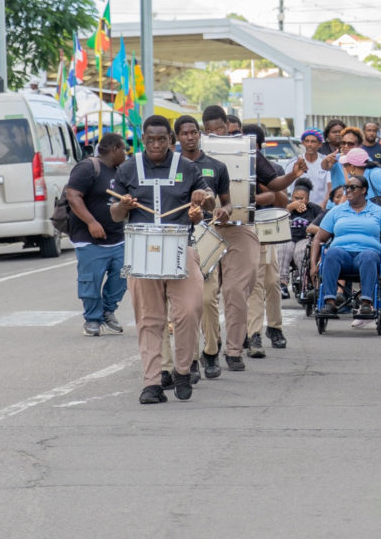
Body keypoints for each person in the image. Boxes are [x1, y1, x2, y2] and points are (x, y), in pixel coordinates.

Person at [110, 114, 221, 404]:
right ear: (143, 139)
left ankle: (183, 370)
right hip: (142, 251)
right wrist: (122, 206)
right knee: (149, 319)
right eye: (150, 140)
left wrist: (202, 199)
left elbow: (208, 201)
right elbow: (114, 214)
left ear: (171, 140)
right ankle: (152, 383)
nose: (156, 144)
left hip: (182, 248)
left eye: (162, 139)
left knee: (188, 311)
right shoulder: (127, 169)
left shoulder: (187, 166)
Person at [178, 111, 259, 378]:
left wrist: (223, 209)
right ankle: (193, 357)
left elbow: (226, 201)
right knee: (202, 297)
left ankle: (228, 351)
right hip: (191, 236)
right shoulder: (171, 166)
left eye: (194, 133)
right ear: (177, 138)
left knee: (235, 291)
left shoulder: (221, 163)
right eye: (185, 133)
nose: (190, 137)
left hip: (228, 229)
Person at [65, 133, 128, 337]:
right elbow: (72, 195)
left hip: (117, 238)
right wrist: (91, 222)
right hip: (89, 239)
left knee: (122, 275)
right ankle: (92, 318)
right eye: (124, 150)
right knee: (90, 281)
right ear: (114, 149)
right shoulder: (88, 167)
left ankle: (108, 311)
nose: (126, 154)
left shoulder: (121, 171)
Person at [310, 175, 381, 319]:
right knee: (331, 252)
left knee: (368, 256)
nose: (348, 191)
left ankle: (366, 303)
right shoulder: (336, 211)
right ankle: (330, 302)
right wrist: (313, 265)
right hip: (342, 255)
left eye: (352, 187)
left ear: (364, 190)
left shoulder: (379, 212)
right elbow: (319, 238)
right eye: (346, 188)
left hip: (367, 255)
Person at [241, 122, 294, 355]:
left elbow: (283, 202)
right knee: (256, 284)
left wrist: (265, 187)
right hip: (243, 230)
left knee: (272, 282)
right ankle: (254, 335)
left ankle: (274, 326)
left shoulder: (272, 168)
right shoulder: (235, 167)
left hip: (268, 229)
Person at [277, 177, 323, 296]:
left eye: (301, 199)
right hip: (288, 238)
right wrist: (291, 207)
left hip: (305, 238)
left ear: (307, 199)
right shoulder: (286, 206)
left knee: (301, 250)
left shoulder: (315, 209)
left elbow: (318, 227)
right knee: (283, 247)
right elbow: (277, 218)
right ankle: (282, 284)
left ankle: (303, 281)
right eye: (296, 198)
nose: (298, 201)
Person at [338, 146, 381, 217]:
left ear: (352, 166)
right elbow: (343, 201)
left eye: (345, 165)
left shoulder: (375, 174)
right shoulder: (353, 179)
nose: (345, 168)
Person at [284, 128, 332, 207]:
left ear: (320, 144)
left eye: (313, 141)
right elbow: (285, 187)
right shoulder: (293, 163)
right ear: (303, 143)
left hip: (319, 209)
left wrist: (323, 204)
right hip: (297, 209)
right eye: (307, 141)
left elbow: (330, 188)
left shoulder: (325, 162)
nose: (309, 144)